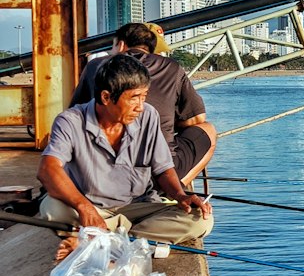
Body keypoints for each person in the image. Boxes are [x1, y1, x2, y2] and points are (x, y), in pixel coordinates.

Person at [39, 53, 214, 251]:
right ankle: (127, 240)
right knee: (51, 208)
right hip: (90, 207)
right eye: (134, 98)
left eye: (144, 97)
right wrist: (84, 207)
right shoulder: (70, 121)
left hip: (138, 207)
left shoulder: (148, 115)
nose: (140, 107)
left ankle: (106, 238)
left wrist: (180, 195)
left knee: (200, 220)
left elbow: (163, 169)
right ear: (106, 97)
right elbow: (48, 170)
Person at [72, 21, 216, 186]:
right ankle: (174, 189)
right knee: (208, 130)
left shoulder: (95, 66)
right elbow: (197, 118)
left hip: (101, 168)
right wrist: (168, 121)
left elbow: (77, 113)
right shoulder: (171, 68)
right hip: (158, 169)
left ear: (120, 45)